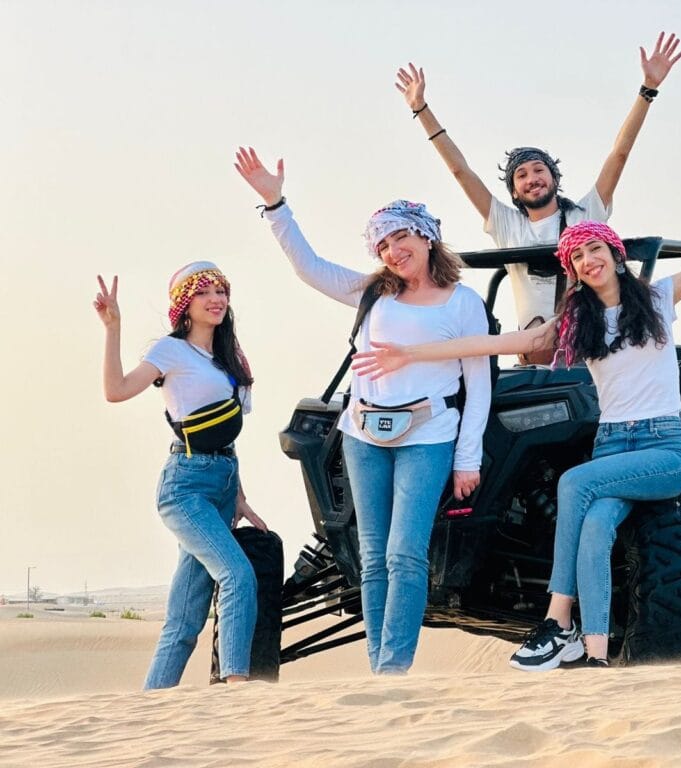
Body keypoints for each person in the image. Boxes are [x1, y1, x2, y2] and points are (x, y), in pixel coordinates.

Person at [352, 174, 681, 669]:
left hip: (663, 448)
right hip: (611, 447)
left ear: (614, 253)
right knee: (594, 529)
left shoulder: (658, 299)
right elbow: (489, 345)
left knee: (574, 485)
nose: (588, 260)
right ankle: (596, 654)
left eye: (594, 249)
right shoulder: (576, 324)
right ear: (574, 272)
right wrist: (410, 354)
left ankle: (557, 622)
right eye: (577, 258)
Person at [233, 146, 492, 674]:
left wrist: (469, 458)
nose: (394, 250)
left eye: (402, 236)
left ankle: (394, 668)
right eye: (384, 243)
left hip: (430, 432)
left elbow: (478, 384)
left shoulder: (463, 302)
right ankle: (380, 672)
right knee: (372, 558)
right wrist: (275, 204)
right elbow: (309, 268)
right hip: (363, 432)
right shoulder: (375, 293)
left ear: (426, 235)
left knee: (405, 553)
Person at [395, 31, 681, 332]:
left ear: (554, 177)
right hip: (536, 352)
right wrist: (421, 109)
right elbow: (460, 171)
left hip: (590, 344)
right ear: (515, 192)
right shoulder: (508, 226)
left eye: (538, 170)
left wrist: (647, 90)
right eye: (521, 176)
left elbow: (619, 154)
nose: (532, 179)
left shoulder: (584, 216)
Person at [93, 262, 266, 689]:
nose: (216, 299)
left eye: (221, 291)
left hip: (223, 482)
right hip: (185, 486)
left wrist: (240, 497)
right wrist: (113, 328)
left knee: (186, 618)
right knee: (237, 576)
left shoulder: (230, 359)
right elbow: (115, 391)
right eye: (204, 292)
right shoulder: (171, 352)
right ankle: (237, 689)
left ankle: (150, 709)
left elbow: (227, 433)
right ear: (184, 306)